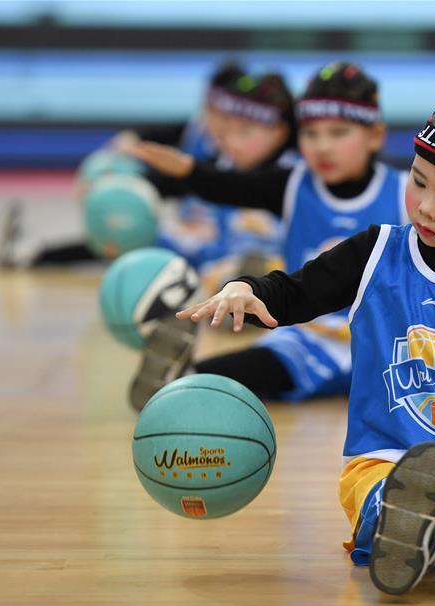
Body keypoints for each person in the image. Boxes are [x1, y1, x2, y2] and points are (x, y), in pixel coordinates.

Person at [173, 79, 435, 605]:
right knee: (387, 496)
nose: (426, 207)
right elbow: (297, 292)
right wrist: (249, 290)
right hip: (383, 462)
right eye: (418, 183)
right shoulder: (374, 253)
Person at [126, 61, 408, 412]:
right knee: (275, 356)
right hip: (305, 330)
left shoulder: (404, 192)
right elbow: (229, 186)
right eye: (311, 134)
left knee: (282, 361)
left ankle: (187, 380)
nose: (322, 147)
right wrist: (188, 171)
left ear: (375, 136)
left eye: (338, 133)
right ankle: (188, 380)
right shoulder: (292, 184)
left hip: (384, 342)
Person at [0, 63, 297, 271]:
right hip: (204, 256)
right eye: (225, 129)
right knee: (130, 236)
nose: (228, 140)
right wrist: (109, 190)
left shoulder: (295, 175)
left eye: (243, 132)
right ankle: (36, 255)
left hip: (270, 269)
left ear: (280, 132)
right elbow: (164, 180)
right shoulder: (218, 161)